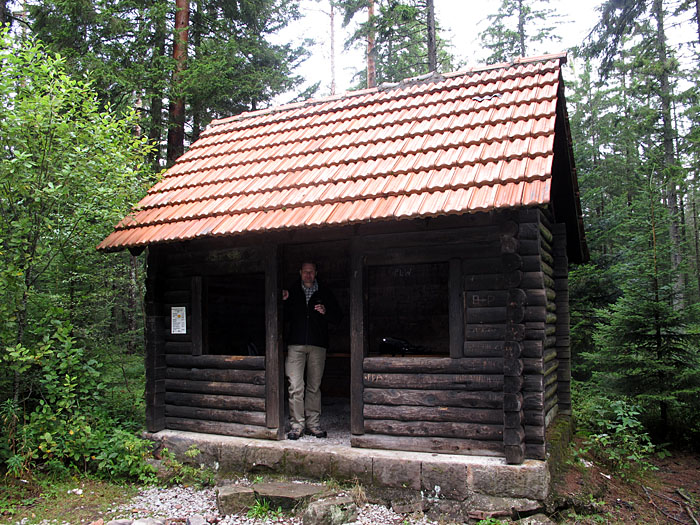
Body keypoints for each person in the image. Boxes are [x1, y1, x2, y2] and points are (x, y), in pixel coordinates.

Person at [282, 261, 342, 440]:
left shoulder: (325, 292)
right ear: (300, 272)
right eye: (305, 272)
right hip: (295, 345)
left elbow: (338, 317)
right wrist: (283, 301)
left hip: (318, 345)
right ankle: (296, 425)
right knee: (295, 386)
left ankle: (313, 425)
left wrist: (326, 312)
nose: (308, 275)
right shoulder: (291, 291)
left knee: (314, 387)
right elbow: (282, 317)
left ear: (316, 272)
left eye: (311, 272)